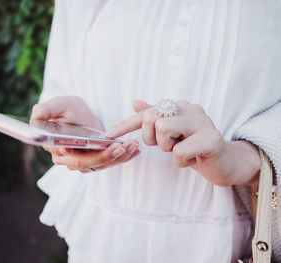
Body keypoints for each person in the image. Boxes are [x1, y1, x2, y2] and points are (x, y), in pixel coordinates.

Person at [31, 1, 281, 262]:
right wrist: (76, 130)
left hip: (235, 245)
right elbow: (62, 82)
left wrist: (245, 159)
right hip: (102, 241)